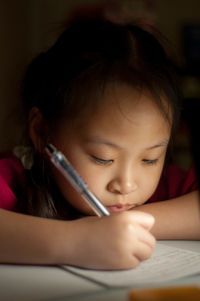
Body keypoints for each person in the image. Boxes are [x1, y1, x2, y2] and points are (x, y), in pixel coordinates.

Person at [0, 17, 199, 270]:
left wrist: (128, 224)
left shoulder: (167, 188)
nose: (126, 184)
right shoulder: (14, 180)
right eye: (103, 158)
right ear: (42, 132)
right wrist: (74, 241)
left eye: (150, 159)